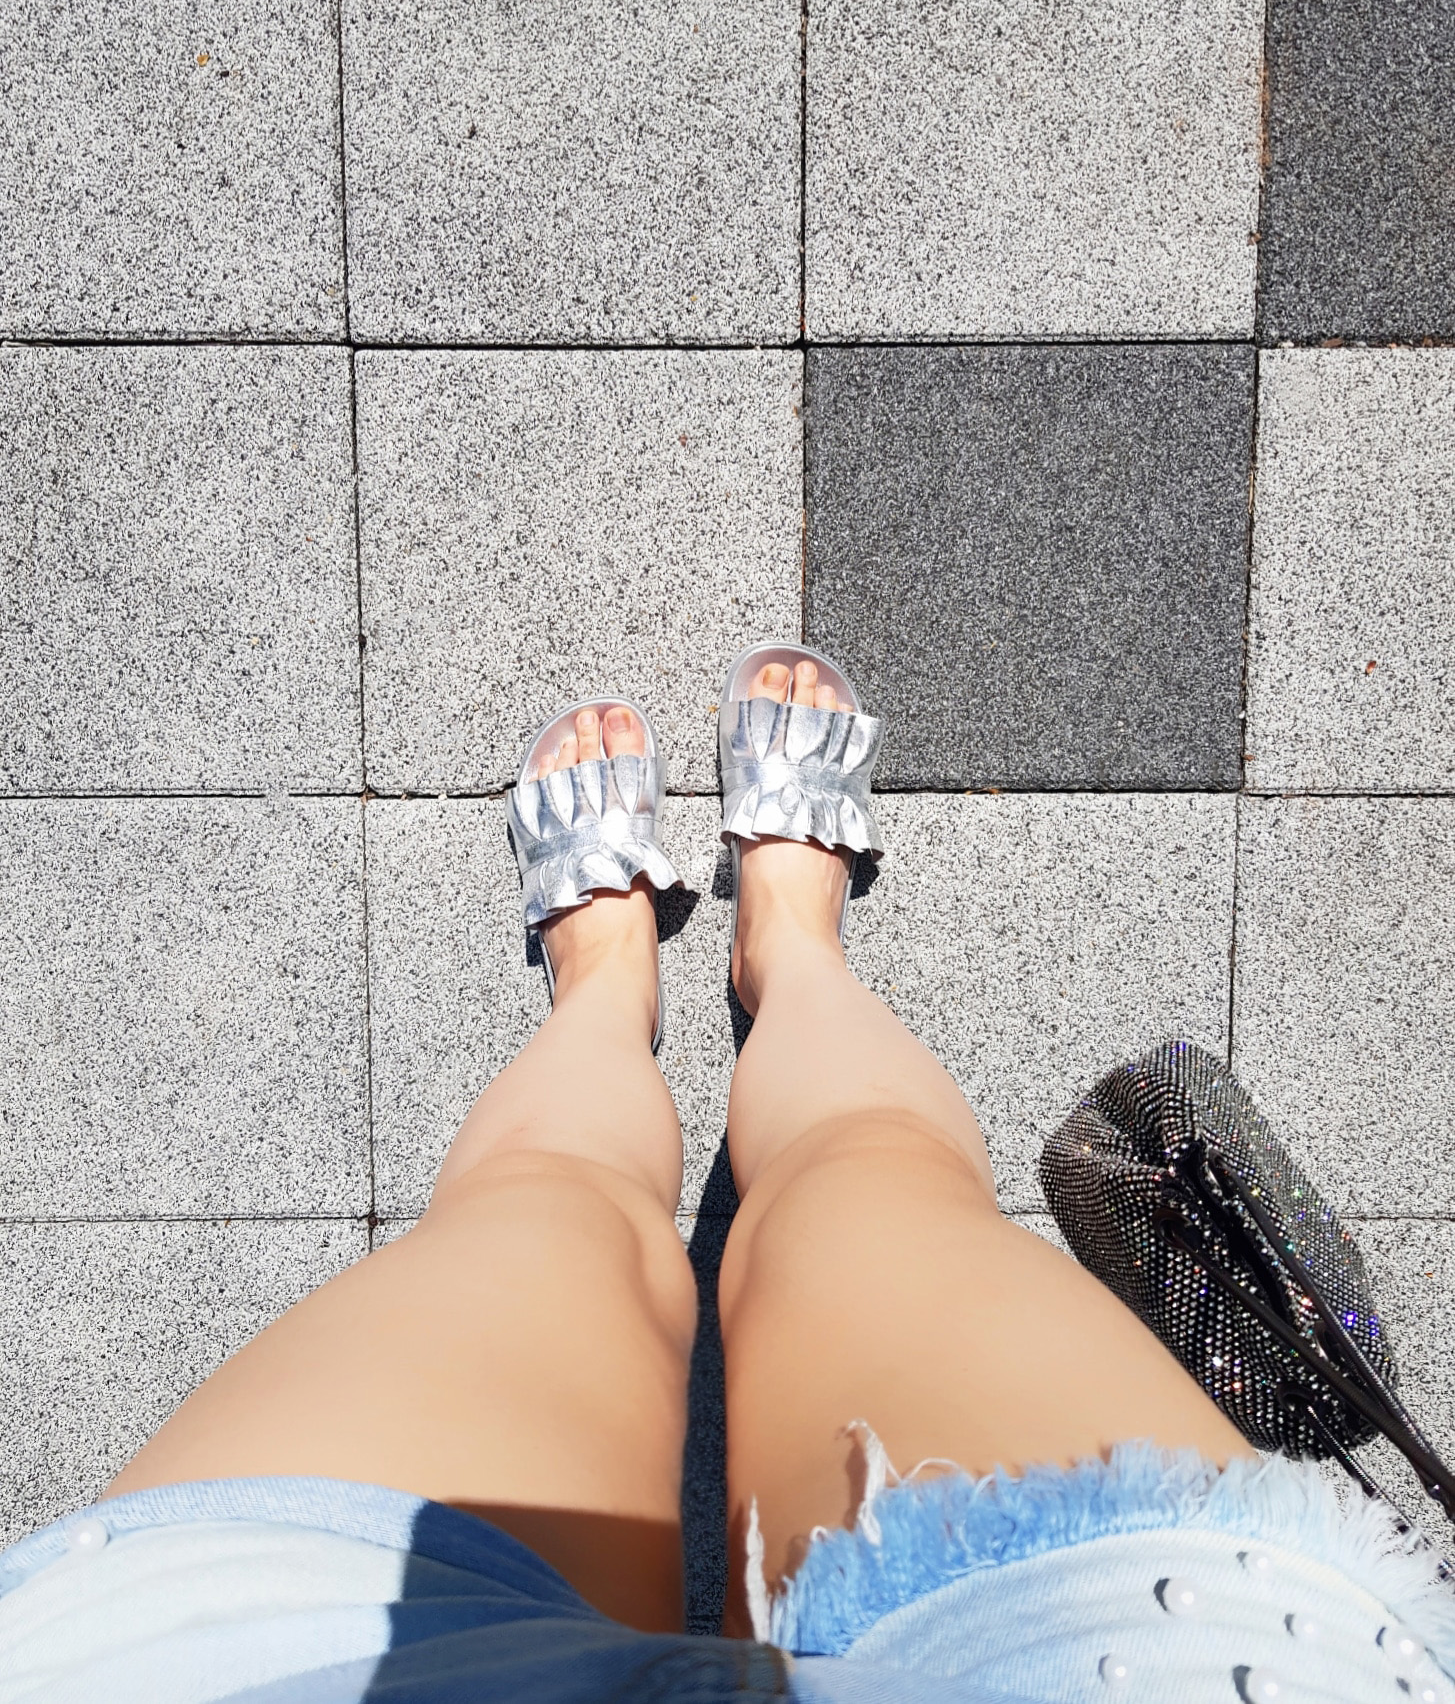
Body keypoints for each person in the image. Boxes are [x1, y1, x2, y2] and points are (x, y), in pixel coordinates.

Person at [2, 645, 1452, 1704]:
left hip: (253, 1664)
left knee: (548, 1209)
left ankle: (610, 987)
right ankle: (786, 954)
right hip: (1150, 1652)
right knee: (871, 1183)